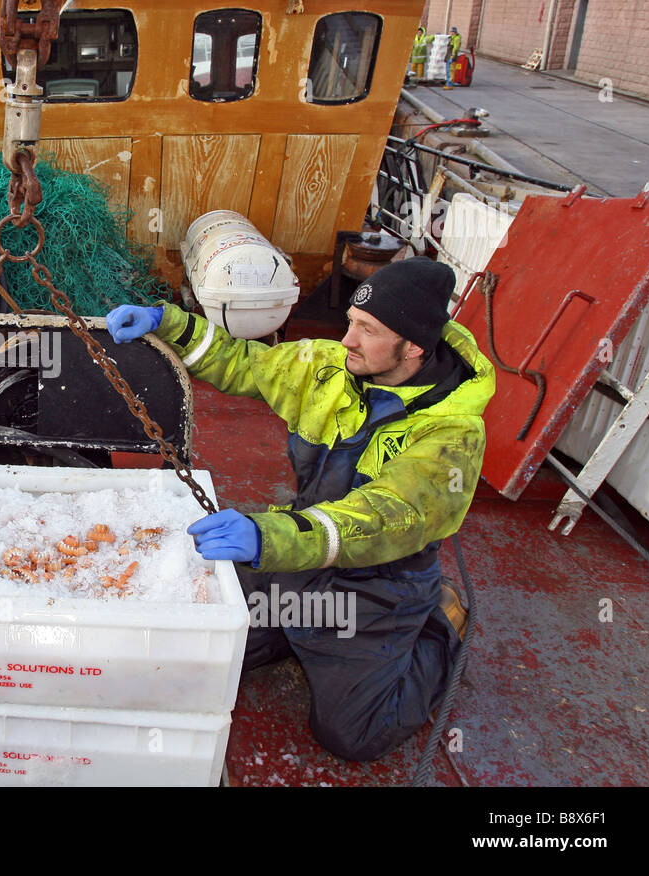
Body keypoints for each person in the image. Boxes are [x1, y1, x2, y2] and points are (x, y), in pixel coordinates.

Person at [105, 257, 495, 761]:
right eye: (351, 321)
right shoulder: (333, 365)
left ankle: (438, 629)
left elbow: (379, 520)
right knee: (195, 654)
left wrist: (269, 539)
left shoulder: (453, 437)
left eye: (367, 330)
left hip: (377, 583)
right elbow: (245, 363)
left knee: (351, 735)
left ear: (414, 346)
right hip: (300, 556)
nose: (347, 339)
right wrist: (168, 322)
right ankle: (296, 630)